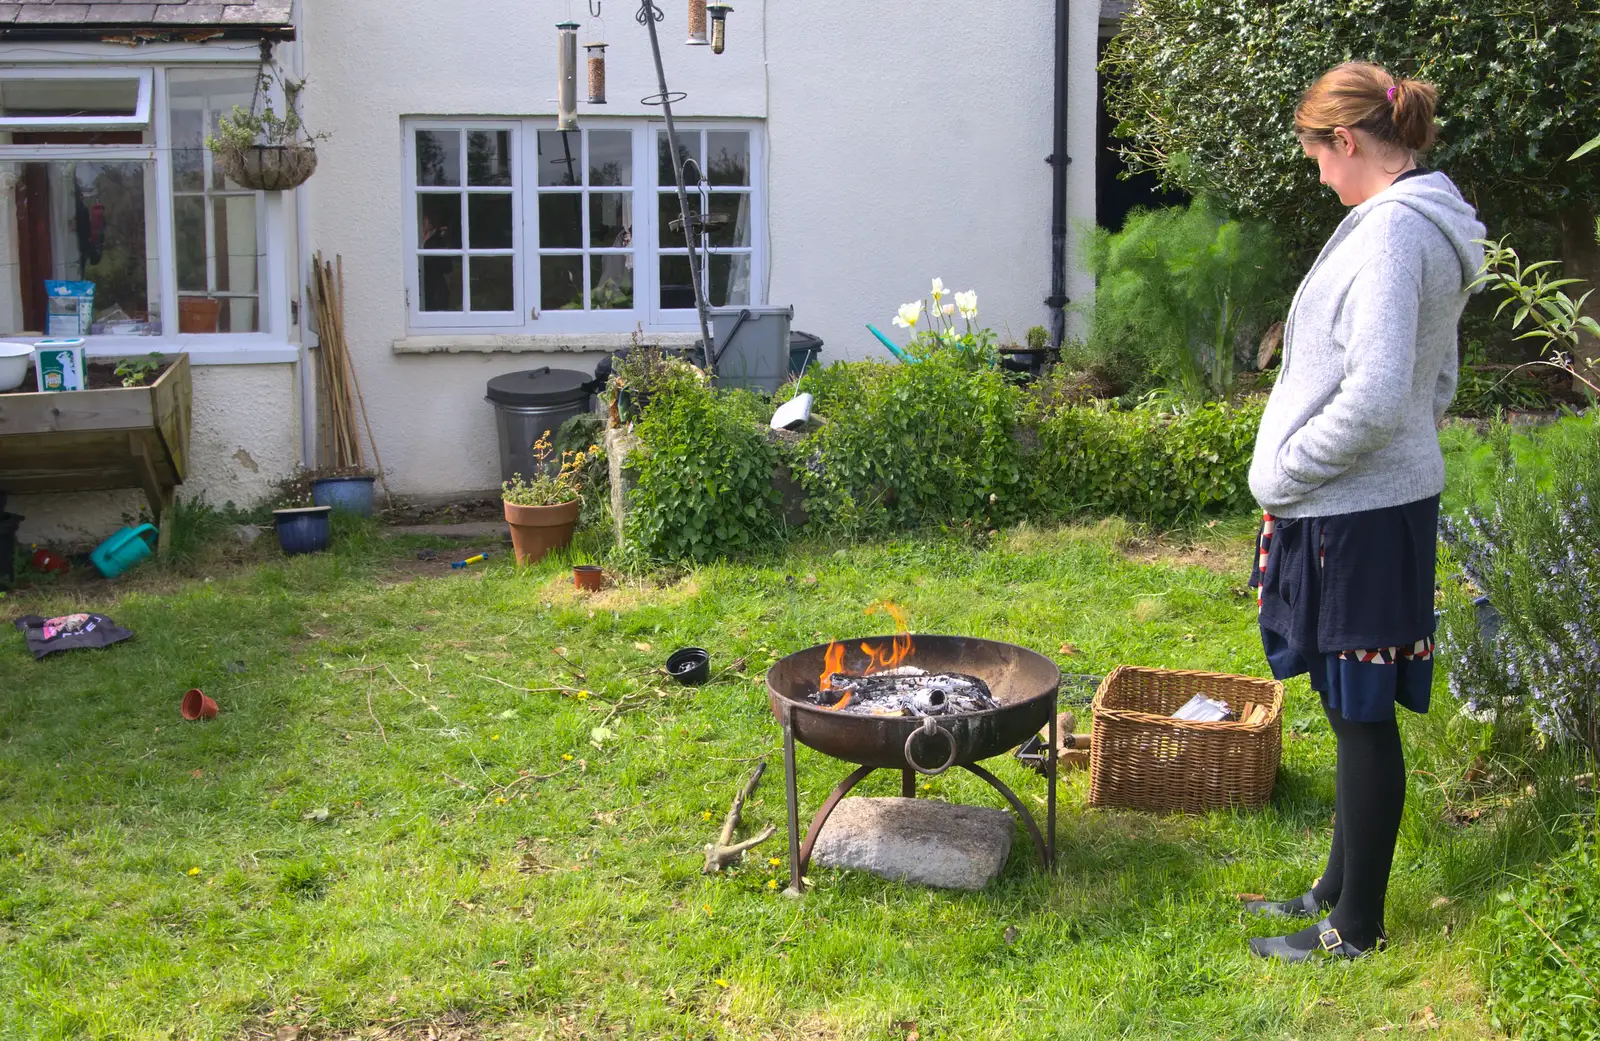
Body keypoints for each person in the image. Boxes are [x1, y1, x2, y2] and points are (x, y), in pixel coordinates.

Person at [1242, 62, 1485, 962]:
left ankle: (1356, 929)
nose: (1315, 175)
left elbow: (1383, 394)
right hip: (1368, 500)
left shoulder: (1391, 236)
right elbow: (1440, 376)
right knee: (1351, 705)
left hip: (1357, 507)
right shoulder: (1418, 220)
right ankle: (1334, 888)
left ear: (1348, 141)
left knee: (1361, 716)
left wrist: (1289, 469)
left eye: (1315, 154)